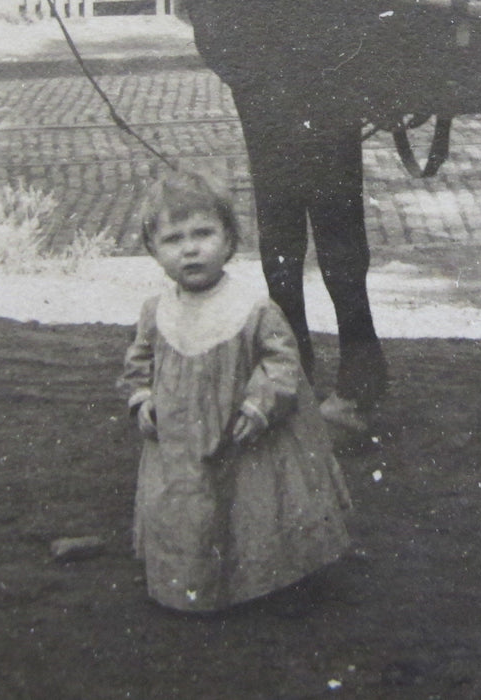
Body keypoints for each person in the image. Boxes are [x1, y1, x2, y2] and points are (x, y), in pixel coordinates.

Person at [118, 171, 351, 612]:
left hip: (242, 435)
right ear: (153, 251)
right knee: (192, 508)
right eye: (173, 239)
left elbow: (282, 363)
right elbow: (139, 361)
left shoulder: (252, 308)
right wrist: (143, 396)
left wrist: (261, 402)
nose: (190, 248)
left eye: (204, 234)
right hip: (181, 443)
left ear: (228, 240)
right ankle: (193, 583)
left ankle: (259, 580)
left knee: (248, 507)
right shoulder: (157, 311)